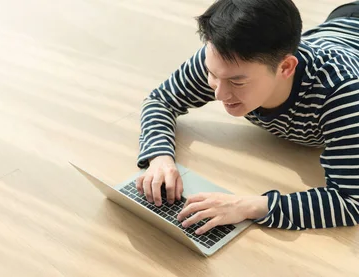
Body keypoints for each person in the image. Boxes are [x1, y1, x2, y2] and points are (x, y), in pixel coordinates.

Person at [135, 0, 359, 235]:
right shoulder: (224, 59)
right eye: (212, 75)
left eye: (237, 82)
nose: (219, 94)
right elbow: (160, 100)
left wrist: (246, 206)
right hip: (341, 23)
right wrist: (160, 157)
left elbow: (352, 201)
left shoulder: (343, 95)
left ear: (285, 68)